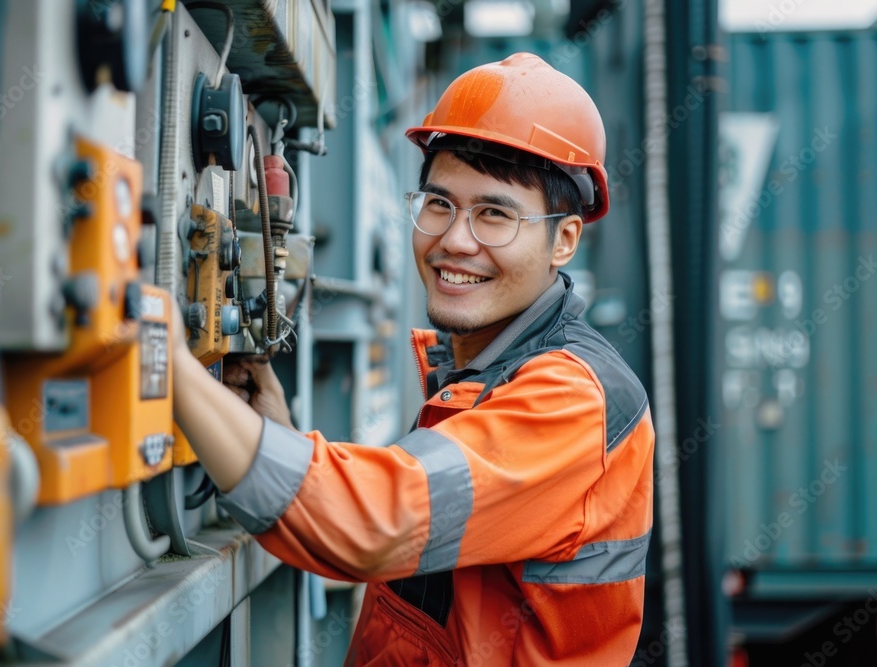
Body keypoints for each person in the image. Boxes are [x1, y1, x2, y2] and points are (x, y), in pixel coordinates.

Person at [171, 52, 654, 666]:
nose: (455, 239)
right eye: (439, 203)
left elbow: (378, 523)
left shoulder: (571, 398)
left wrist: (170, 367)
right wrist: (275, 435)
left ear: (563, 239)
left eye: (495, 214)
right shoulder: (482, 373)